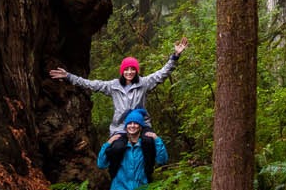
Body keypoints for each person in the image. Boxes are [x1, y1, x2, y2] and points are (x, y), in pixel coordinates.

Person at [48, 38, 188, 138]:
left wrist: (175, 56)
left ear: (136, 71)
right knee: (115, 150)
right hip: (120, 128)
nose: (129, 72)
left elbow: (162, 74)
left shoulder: (144, 83)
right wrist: (69, 76)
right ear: (122, 71)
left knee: (149, 145)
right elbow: (90, 84)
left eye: (132, 69)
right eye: (126, 70)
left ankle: (146, 176)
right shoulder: (113, 86)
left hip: (142, 125)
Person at [97, 110, 167, 190]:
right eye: (129, 123)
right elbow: (101, 164)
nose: (132, 126)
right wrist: (108, 143)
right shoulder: (118, 146)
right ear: (126, 126)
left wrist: (157, 139)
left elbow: (162, 160)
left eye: (136, 123)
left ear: (141, 126)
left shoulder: (146, 145)